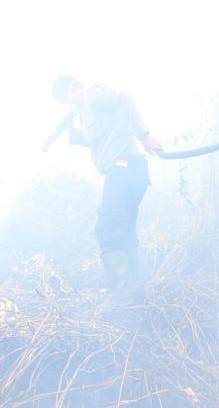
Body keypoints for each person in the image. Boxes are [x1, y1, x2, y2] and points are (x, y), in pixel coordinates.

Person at [42, 75, 163, 299]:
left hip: (124, 167)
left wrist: (144, 135)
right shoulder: (87, 113)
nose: (66, 105)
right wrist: (69, 129)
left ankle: (120, 292)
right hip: (125, 171)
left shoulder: (93, 95)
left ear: (73, 88)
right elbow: (92, 139)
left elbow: (125, 99)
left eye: (65, 99)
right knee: (123, 227)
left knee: (107, 227)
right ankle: (135, 288)